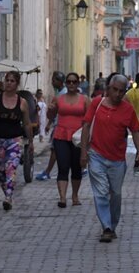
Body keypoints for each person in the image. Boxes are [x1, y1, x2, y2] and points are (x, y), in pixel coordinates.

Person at [79, 74, 139, 243]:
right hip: (96, 155)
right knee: (101, 192)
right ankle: (106, 227)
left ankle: (112, 225)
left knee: (115, 193)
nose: (117, 94)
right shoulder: (97, 104)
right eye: (114, 90)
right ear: (108, 89)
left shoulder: (127, 109)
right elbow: (86, 126)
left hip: (117, 159)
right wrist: (84, 152)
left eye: (121, 91)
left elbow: (135, 131)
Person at [0, 71, 32, 210]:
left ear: (17, 84)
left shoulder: (22, 103)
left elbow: (26, 123)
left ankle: (8, 197)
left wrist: (31, 141)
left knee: (11, 168)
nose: (9, 83)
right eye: (7, 80)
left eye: (12, 81)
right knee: (2, 171)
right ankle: (7, 192)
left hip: (15, 139)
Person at [47, 72, 89, 208]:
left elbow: (89, 119)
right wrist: (50, 110)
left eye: (74, 82)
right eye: (69, 82)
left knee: (76, 168)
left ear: (78, 84)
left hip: (78, 138)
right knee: (63, 166)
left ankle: (75, 195)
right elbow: (51, 116)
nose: (71, 84)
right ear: (65, 83)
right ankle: (62, 198)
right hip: (61, 136)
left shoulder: (85, 99)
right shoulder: (58, 98)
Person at [36, 71, 66, 181]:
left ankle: (48, 172)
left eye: (54, 80)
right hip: (59, 124)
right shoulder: (60, 93)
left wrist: (49, 124)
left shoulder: (61, 95)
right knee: (57, 149)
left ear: (59, 81)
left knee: (55, 149)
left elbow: (54, 112)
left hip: (60, 125)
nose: (52, 82)